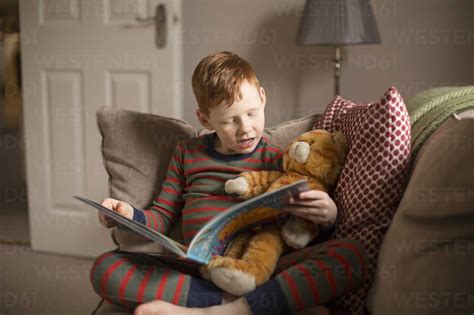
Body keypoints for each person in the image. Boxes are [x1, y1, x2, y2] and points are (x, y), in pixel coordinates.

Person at [91, 51, 367, 315]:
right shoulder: (187, 153)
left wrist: (327, 214)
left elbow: (300, 229)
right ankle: (254, 305)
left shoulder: (278, 159)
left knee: (351, 255)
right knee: (106, 268)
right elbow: (161, 218)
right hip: (197, 267)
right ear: (205, 119)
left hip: (260, 266)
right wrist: (127, 214)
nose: (245, 128)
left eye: (251, 113)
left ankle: (226, 310)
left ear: (262, 97)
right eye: (230, 121)